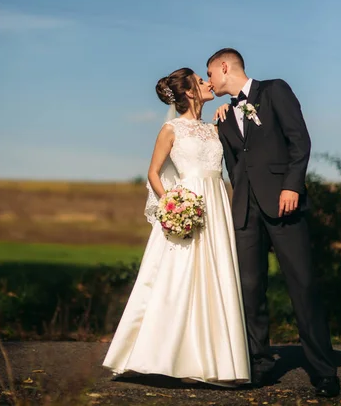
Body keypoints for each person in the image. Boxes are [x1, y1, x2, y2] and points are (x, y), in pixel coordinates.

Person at [103, 67, 250, 385]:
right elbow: (153, 173)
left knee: (214, 277)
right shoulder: (171, 129)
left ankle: (214, 360)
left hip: (217, 204)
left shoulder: (214, 128)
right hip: (189, 204)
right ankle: (160, 354)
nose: (208, 83)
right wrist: (172, 204)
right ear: (188, 92)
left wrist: (228, 110)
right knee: (178, 278)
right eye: (201, 81)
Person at [207, 48, 339, 398]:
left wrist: (292, 186)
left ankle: (323, 369)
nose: (209, 82)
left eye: (210, 75)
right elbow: (236, 165)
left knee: (303, 284)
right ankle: (260, 364)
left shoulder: (275, 90)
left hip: (284, 204)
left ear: (224, 67)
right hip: (246, 212)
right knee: (250, 290)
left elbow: (300, 140)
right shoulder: (223, 116)